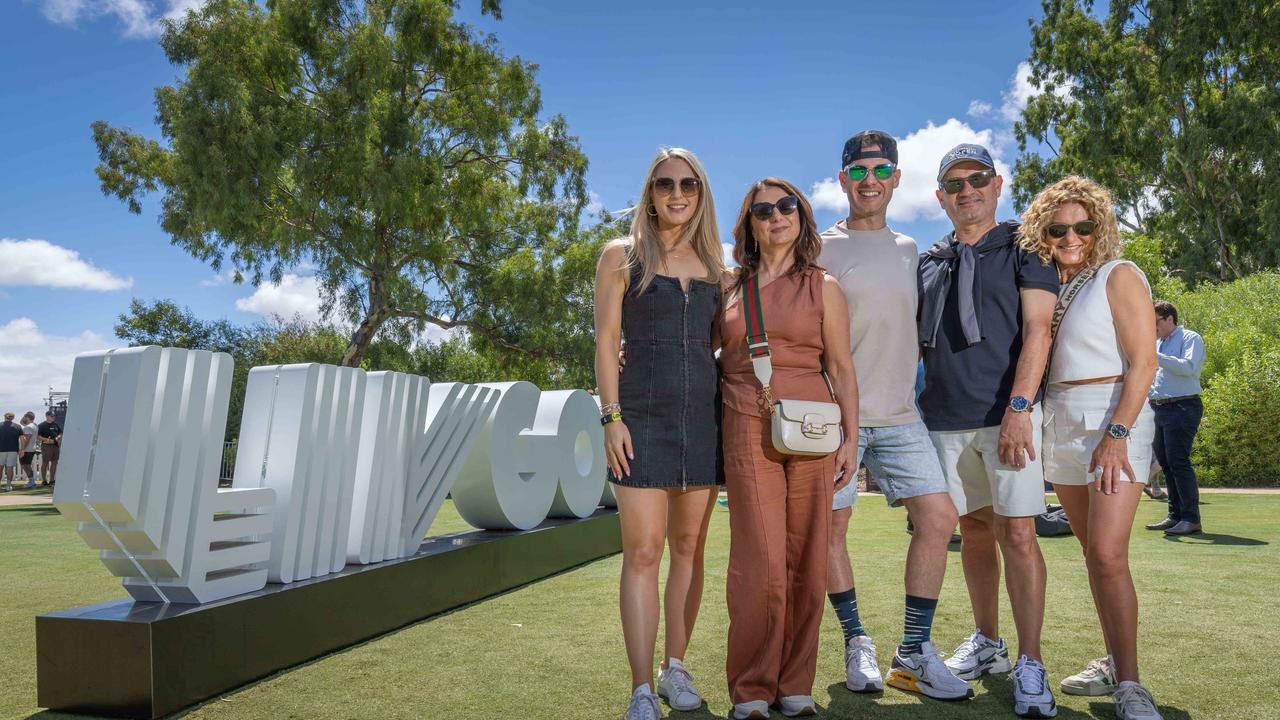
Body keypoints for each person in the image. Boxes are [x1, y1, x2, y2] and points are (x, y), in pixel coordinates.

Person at [817, 130, 971, 701]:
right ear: (843, 180)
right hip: (834, 420)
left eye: (881, 169)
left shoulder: (913, 251)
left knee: (939, 518)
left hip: (903, 415)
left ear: (898, 179)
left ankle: (913, 652)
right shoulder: (818, 248)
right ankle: (857, 641)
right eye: (858, 171)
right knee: (832, 530)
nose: (870, 180)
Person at [918, 144, 1060, 718]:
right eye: (954, 184)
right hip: (943, 419)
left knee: (1019, 535)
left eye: (977, 179)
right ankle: (989, 643)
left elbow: (1039, 329)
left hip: (1009, 414)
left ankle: (1031, 661)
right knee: (974, 534)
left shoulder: (1026, 248)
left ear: (997, 184)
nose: (967, 190)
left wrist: (1021, 407)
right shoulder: (929, 258)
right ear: (940, 198)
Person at [1020, 176, 1166, 720]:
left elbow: (1145, 363)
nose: (1071, 236)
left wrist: (1118, 435)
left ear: (1100, 227)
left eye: (1084, 226)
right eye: (1058, 229)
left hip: (1112, 417)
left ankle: (1130, 683)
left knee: (1107, 553)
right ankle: (1112, 660)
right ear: (1044, 233)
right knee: (1092, 556)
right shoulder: (1049, 288)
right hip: (1059, 421)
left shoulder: (1119, 274)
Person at [718, 178, 859, 719]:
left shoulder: (824, 287)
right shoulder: (730, 286)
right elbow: (695, 344)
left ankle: (795, 683)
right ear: (749, 224)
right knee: (760, 559)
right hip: (745, 422)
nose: (776, 216)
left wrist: (852, 436)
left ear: (801, 216)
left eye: (786, 206)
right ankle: (753, 688)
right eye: (762, 210)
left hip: (816, 430)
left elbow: (842, 367)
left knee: (807, 554)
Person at [594, 147, 725, 720]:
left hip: (703, 422)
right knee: (644, 551)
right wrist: (611, 417)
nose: (677, 193)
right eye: (665, 183)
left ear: (701, 193)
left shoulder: (720, 268)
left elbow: (722, 345)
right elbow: (604, 341)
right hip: (639, 421)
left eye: (689, 184)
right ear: (649, 191)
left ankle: (677, 668)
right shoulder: (620, 257)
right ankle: (642, 687)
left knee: (689, 549)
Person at [1144, 300, 1205, 536]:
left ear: (1169, 318)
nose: (1153, 327)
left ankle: (1191, 518)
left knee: (1179, 462)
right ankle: (1175, 515)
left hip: (1183, 406)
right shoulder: (1159, 343)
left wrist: (1154, 355)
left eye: (1155, 321)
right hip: (1160, 408)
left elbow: (1188, 367)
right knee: (1167, 463)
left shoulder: (1190, 338)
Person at [38, 411, 63, 487]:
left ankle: (52, 480)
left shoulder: (56, 425)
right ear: (47, 416)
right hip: (46, 446)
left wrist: (57, 437)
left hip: (55, 446)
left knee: (55, 462)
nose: (53, 417)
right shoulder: (41, 425)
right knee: (45, 462)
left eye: (54, 416)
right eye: (52, 416)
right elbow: (38, 437)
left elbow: (60, 433)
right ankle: (44, 481)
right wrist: (47, 440)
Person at [0, 412, 23, 491]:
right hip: (13, 450)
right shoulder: (17, 426)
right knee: (10, 468)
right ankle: (8, 486)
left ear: (5, 417)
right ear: (12, 418)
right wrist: (22, 449)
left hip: (1, 450)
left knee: (0, 467)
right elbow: (23, 439)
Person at [19, 412, 38, 489]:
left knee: (25, 465)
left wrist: (22, 450)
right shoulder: (34, 425)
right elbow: (21, 422)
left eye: (24, 416)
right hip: (31, 448)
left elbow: (27, 439)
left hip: (27, 449)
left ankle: (31, 482)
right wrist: (24, 417)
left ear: (27, 417)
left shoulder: (28, 427)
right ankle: (31, 481)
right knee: (26, 465)